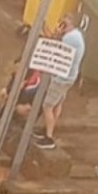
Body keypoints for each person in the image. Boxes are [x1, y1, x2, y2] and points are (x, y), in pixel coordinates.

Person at [33, 13, 86, 150]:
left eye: (65, 21)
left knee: (47, 105)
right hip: (69, 76)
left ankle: (49, 137)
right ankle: (47, 130)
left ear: (70, 23)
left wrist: (56, 33)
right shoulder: (76, 36)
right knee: (58, 103)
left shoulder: (70, 38)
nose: (62, 23)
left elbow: (55, 48)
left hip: (61, 77)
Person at [0, 58, 42, 132]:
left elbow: (28, 96)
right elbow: (8, 90)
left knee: (17, 107)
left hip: (28, 106)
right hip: (17, 102)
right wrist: (7, 92)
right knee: (8, 103)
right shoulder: (16, 76)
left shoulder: (33, 79)